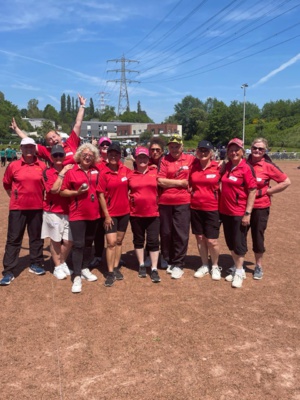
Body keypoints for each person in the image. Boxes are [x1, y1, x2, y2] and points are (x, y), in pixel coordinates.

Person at [1, 138, 47, 286]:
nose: (28, 150)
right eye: (25, 147)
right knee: (14, 239)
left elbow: (46, 186)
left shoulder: (42, 165)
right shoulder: (13, 166)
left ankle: (36, 263)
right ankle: (8, 270)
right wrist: (15, 197)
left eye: (31, 147)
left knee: (36, 237)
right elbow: (7, 184)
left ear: (34, 149)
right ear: (21, 148)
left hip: (37, 207)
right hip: (18, 208)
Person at [247, 138, 291, 279]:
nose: (257, 151)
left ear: (265, 151)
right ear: (251, 148)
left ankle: (258, 265)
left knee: (258, 236)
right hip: (242, 206)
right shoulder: (243, 163)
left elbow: (286, 182)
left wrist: (268, 192)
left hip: (260, 206)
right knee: (239, 235)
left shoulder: (268, 166)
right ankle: (237, 263)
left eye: (261, 149)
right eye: (255, 147)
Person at [60, 143, 100, 293]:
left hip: (94, 213)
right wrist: (76, 193)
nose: (88, 157)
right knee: (78, 244)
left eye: (91, 155)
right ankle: (76, 276)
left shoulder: (96, 170)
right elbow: (63, 192)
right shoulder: (72, 171)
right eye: (85, 154)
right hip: (77, 213)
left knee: (89, 243)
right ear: (79, 155)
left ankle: (84, 268)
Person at [219, 138, 257, 289]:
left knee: (238, 242)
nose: (234, 152)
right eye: (231, 150)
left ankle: (240, 272)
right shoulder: (227, 166)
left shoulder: (246, 168)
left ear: (242, 151)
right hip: (225, 211)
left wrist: (247, 213)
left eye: (237, 150)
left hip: (239, 211)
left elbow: (252, 190)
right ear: (227, 152)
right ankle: (236, 266)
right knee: (230, 242)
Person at [10, 93, 86, 165]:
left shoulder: (70, 143)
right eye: (49, 139)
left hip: (75, 177)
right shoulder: (47, 152)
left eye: (54, 136)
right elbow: (29, 141)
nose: (53, 139)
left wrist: (82, 106)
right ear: (48, 143)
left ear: (59, 136)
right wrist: (16, 129)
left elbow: (77, 124)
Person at [157, 134, 195, 279]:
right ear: (168, 147)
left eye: (177, 146)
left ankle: (178, 263)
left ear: (182, 146)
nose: (174, 149)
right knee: (166, 232)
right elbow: (160, 181)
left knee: (181, 233)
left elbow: (203, 165)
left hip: (183, 201)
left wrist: (169, 181)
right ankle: (168, 258)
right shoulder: (164, 160)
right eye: (172, 146)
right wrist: (180, 183)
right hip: (165, 201)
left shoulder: (190, 159)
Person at [97, 142, 131, 287]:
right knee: (110, 243)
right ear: (107, 154)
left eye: (116, 153)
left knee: (118, 241)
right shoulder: (103, 172)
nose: (113, 156)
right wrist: (107, 215)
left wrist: (153, 167)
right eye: (111, 153)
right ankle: (110, 272)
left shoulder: (125, 170)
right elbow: (100, 195)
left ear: (120, 155)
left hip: (125, 212)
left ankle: (116, 267)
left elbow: (137, 179)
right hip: (110, 213)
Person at [189, 140, 222, 280]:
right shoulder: (193, 167)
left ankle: (215, 266)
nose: (203, 153)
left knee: (212, 241)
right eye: (200, 150)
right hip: (195, 207)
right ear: (196, 152)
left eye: (206, 151)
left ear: (211, 153)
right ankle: (204, 265)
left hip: (212, 208)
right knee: (200, 238)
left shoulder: (218, 167)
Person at [128, 146, 161, 283]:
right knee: (138, 240)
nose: (142, 160)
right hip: (136, 213)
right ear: (135, 159)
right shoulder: (130, 174)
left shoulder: (155, 172)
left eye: (144, 157)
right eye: (139, 157)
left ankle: (154, 268)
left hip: (153, 213)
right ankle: (142, 264)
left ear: (148, 159)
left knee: (153, 241)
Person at [41, 145, 74, 280]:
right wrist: (62, 173)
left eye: (61, 155)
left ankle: (61, 262)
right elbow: (54, 190)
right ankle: (57, 267)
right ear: (51, 157)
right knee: (55, 240)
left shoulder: (70, 170)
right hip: (52, 211)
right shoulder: (47, 172)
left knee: (69, 241)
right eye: (56, 155)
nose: (59, 158)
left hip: (68, 210)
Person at [88, 136, 112, 269]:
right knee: (98, 232)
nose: (105, 146)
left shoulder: (116, 161)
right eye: (103, 144)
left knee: (111, 231)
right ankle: (97, 255)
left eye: (108, 144)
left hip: (112, 202)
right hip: (97, 202)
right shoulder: (96, 162)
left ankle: (113, 255)